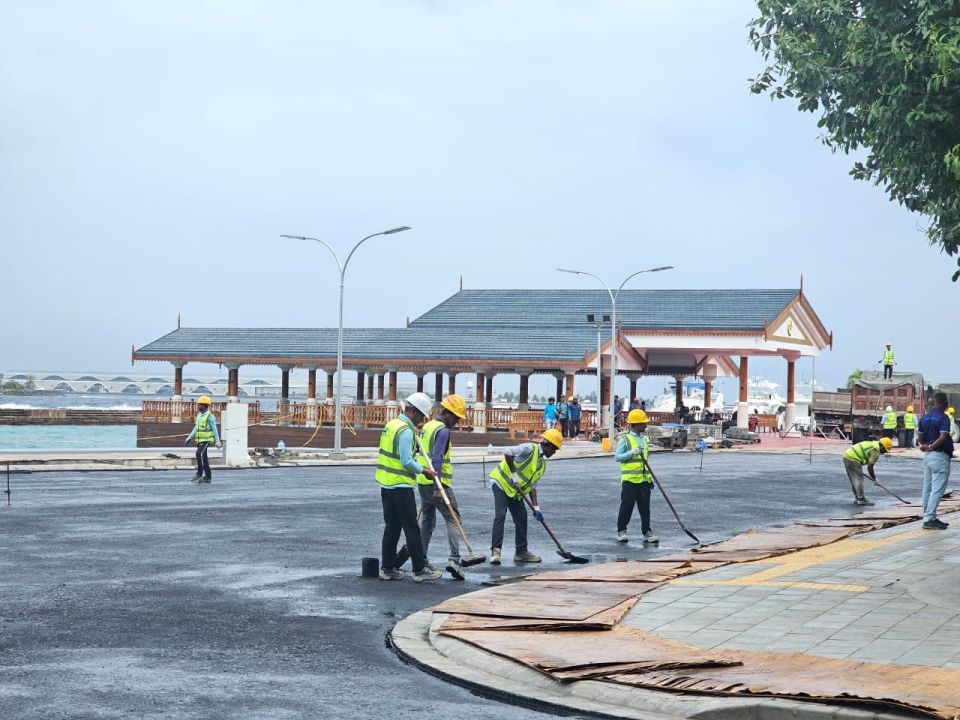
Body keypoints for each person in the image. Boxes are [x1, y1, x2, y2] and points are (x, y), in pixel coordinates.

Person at [376, 392, 443, 582]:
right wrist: (424, 471)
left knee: (392, 527)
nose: (422, 421)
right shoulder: (405, 431)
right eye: (421, 416)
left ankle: (387, 568)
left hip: (386, 484)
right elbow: (406, 461)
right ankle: (419, 570)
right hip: (401, 485)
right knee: (412, 528)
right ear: (412, 411)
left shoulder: (391, 425)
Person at [487, 428, 563, 565]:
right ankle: (496, 551)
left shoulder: (542, 465)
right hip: (501, 483)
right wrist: (514, 475)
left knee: (522, 517)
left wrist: (536, 507)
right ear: (548, 445)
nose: (555, 452)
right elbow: (508, 452)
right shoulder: (529, 448)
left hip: (515, 492)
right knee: (500, 514)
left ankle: (521, 552)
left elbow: (532, 486)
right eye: (555, 449)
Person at [417, 394, 468, 580]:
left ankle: (421, 559)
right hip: (438, 483)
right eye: (456, 417)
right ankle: (454, 559)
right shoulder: (443, 431)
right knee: (453, 519)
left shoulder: (428, 426)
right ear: (448, 413)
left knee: (427, 521)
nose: (457, 421)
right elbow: (437, 458)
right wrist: (437, 487)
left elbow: (421, 451)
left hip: (423, 481)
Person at [615, 409, 657, 543]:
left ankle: (647, 532)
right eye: (643, 423)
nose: (645, 426)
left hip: (644, 479)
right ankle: (621, 531)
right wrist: (632, 452)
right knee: (627, 506)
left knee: (645, 508)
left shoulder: (644, 440)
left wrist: (649, 479)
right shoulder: (625, 439)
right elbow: (617, 457)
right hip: (630, 480)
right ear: (635, 424)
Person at [918, 392, 954, 530]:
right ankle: (929, 518)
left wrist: (925, 446)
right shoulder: (943, 417)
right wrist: (931, 446)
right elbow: (943, 436)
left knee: (927, 488)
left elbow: (920, 437)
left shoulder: (924, 417)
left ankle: (928, 516)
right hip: (939, 455)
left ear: (934, 402)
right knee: (937, 489)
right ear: (944, 403)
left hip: (928, 457)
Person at [842, 437, 892, 505]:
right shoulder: (875, 451)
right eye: (885, 450)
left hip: (847, 456)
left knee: (854, 479)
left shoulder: (873, 444)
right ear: (882, 447)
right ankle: (861, 499)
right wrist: (874, 479)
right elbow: (870, 467)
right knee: (858, 479)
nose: (885, 452)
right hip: (853, 458)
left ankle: (857, 497)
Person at [185, 395, 221, 483]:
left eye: (200, 405)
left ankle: (200, 473)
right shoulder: (199, 415)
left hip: (207, 440)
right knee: (203, 456)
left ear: (205, 406)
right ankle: (207, 476)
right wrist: (190, 437)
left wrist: (217, 441)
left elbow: (214, 429)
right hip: (200, 440)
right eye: (198, 405)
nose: (198, 406)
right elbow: (196, 427)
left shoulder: (210, 416)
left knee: (199, 454)